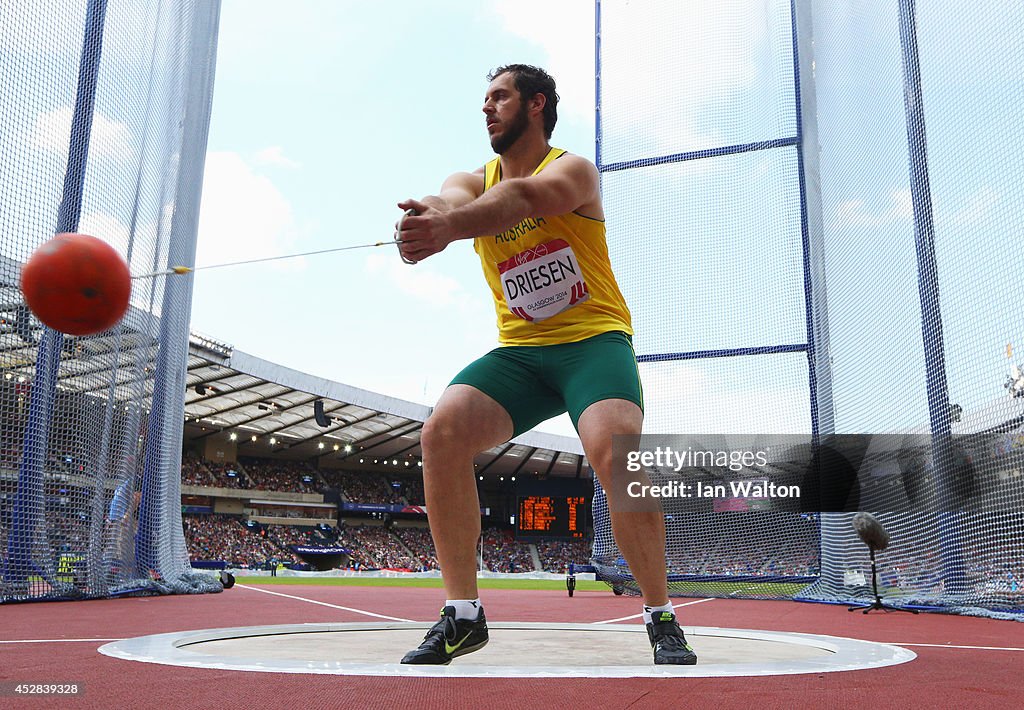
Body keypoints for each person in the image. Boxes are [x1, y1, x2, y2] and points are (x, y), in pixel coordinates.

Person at [395, 64, 696, 666]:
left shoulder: (573, 170)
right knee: (442, 432)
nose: (487, 108)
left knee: (616, 451)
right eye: (484, 99)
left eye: (499, 97)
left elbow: (526, 198)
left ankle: (660, 614)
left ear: (536, 105)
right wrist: (426, 216)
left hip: (592, 344)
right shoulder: (471, 181)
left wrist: (450, 227)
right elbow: (449, 196)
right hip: (523, 355)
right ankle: (462, 614)